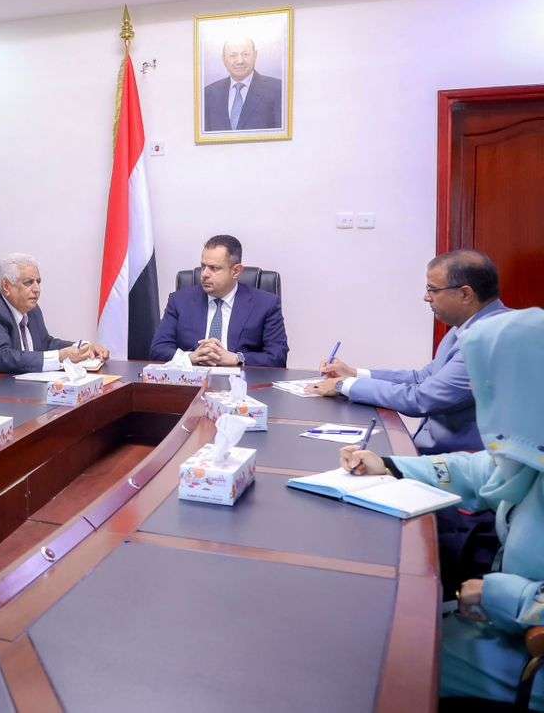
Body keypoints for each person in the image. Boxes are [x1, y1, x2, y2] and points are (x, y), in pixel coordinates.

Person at [339, 308, 544, 709]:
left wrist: (501, 594)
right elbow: (477, 470)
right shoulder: (531, 450)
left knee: (372, 661)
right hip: (501, 624)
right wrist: (390, 465)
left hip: (527, 655)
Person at [312, 249, 508, 454]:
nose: (426, 297)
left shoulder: (487, 341)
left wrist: (343, 384)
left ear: (465, 294)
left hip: (458, 461)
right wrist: (354, 374)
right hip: (433, 451)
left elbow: (422, 399)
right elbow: (421, 378)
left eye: (432, 290)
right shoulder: (467, 326)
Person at [0, 253, 108, 383]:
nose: (36, 289)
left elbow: (45, 343)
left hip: (20, 392)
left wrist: (82, 348)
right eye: (28, 283)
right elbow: (1, 358)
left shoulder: (32, 310)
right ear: (6, 286)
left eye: (38, 281)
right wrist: (60, 357)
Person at [149, 235, 289, 367]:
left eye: (214, 268)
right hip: (193, 379)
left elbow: (278, 357)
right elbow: (158, 350)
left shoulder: (265, 304)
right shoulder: (179, 301)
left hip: (240, 381)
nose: (204, 274)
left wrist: (237, 358)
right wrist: (190, 357)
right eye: (203, 266)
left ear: (236, 271)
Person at [202, 37, 282, 132]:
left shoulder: (278, 90)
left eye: (245, 54)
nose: (240, 61)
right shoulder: (208, 94)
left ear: (255, 55)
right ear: (223, 59)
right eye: (233, 55)